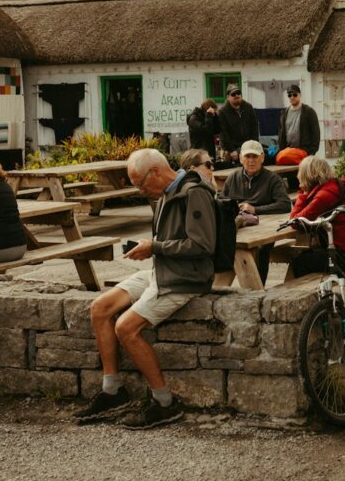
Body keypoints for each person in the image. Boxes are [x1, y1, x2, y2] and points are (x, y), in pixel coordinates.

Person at [73, 148, 216, 429]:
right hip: (162, 271)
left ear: (155, 172)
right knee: (100, 308)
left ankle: (164, 403)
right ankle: (112, 391)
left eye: (140, 183)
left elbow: (203, 245)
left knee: (125, 327)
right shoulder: (165, 193)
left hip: (184, 279)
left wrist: (155, 247)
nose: (139, 190)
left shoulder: (194, 192)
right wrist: (151, 247)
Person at [287, 156, 345, 275]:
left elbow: (295, 221)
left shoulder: (325, 195)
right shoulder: (334, 187)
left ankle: (316, 293)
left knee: (299, 262)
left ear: (307, 175)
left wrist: (303, 194)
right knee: (310, 255)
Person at [220, 140, 291, 284]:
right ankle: (221, 285)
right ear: (241, 159)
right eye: (247, 157)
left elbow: (285, 205)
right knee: (226, 244)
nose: (251, 161)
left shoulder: (273, 179)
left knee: (260, 248)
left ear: (262, 158)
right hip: (241, 226)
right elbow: (222, 202)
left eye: (255, 157)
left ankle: (258, 288)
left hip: (266, 228)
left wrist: (255, 209)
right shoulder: (233, 178)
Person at [217, 84, 259, 165]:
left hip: (248, 147)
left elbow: (255, 126)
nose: (236, 95)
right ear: (228, 97)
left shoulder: (248, 107)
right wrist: (232, 150)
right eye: (233, 94)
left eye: (238, 93)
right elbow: (223, 133)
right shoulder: (222, 112)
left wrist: (254, 144)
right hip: (231, 150)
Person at [277, 84, 320, 157]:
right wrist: (281, 150)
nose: (292, 97)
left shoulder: (309, 111)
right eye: (289, 95)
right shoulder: (284, 113)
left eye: (295, 95)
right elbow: (281, 134)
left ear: (300, 95)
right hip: (287, 152)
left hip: (304, 152)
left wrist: (311, 151)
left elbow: (316, 132)